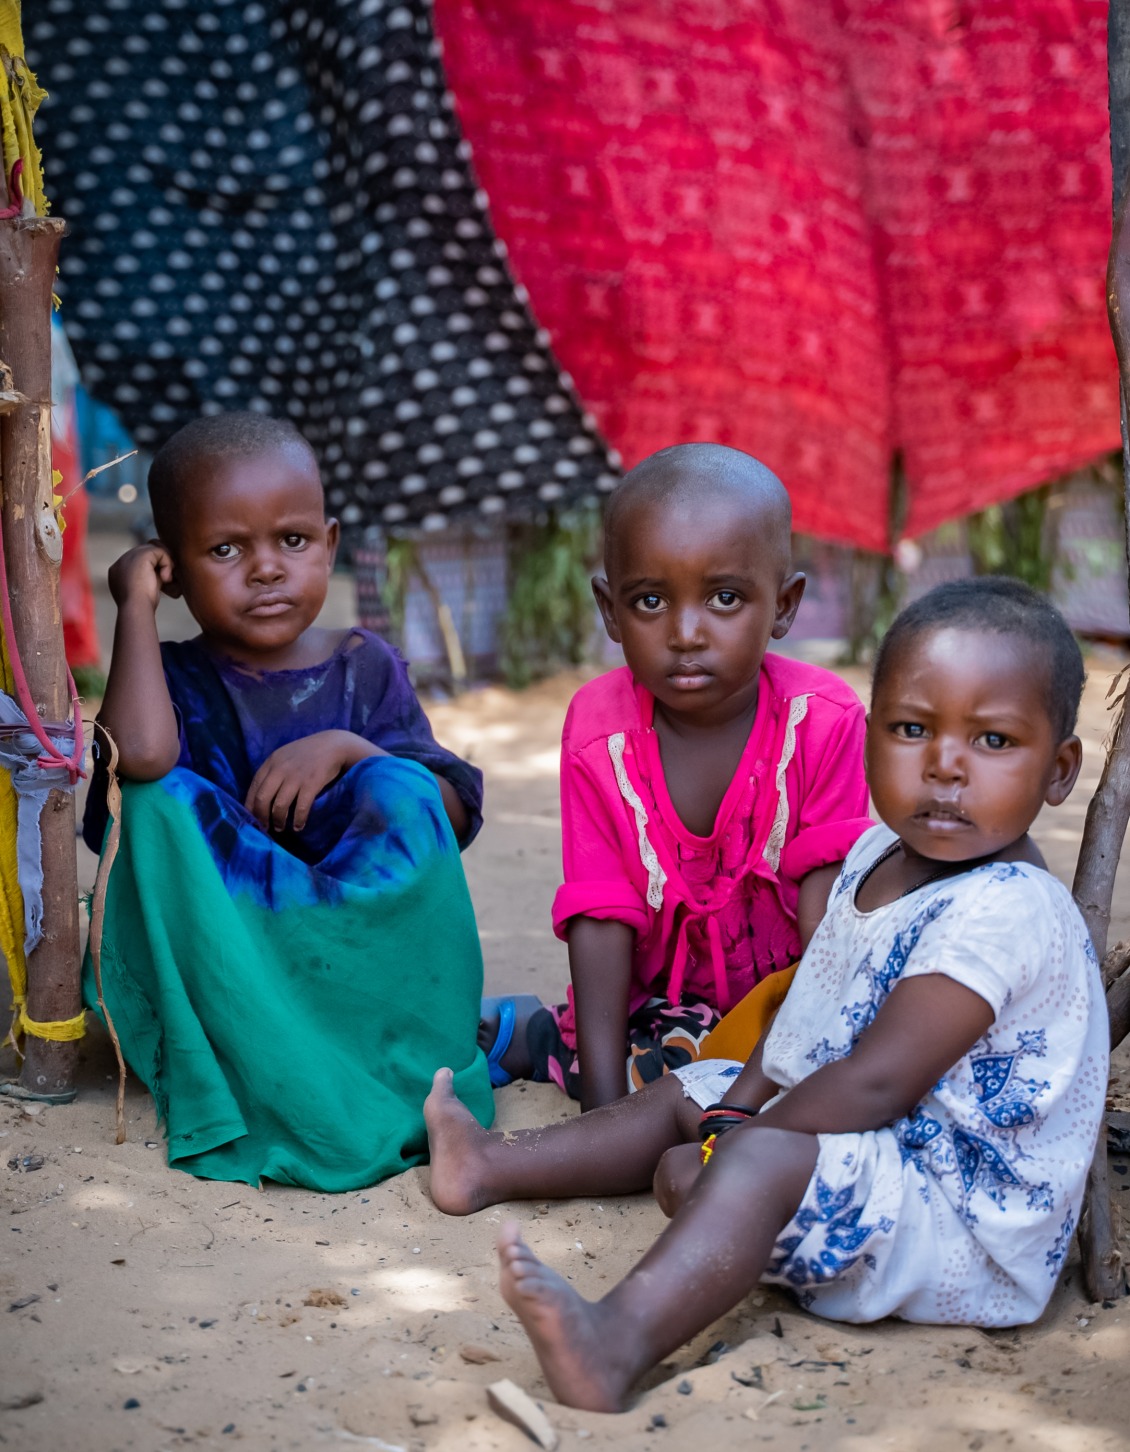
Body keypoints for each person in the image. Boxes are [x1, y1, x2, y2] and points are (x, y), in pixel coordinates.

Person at [424, 577, 1108, 1412]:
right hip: (882, 1152)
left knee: (753, 1154)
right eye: (910, 729)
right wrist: (727, 1110)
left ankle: (614, 1342)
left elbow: (877, 1080)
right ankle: (491, 1165)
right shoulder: (869, 859)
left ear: (1059, 770)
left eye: (994, 740)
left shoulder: (1008, 908)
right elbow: (807, 1022)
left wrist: (731, 1149)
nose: (944, 766)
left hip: (963, 1228)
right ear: (869, 739)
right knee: (702, 1082)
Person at [83, 412, 494, 1190]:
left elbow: (449, 811)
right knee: (155, 796)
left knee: (397, 779)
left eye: (293, 542)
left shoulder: (363, 665)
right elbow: (135, 764)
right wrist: (132, 608)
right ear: (171, 568)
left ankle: (388, 1049)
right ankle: (272, 1059)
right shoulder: (170, 678)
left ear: (331, 544)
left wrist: (351, 750)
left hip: (355, 950)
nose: (266, 569)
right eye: (226, 549)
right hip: (241, 961)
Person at [481, 444, 871, 1108]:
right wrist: (601, 1109)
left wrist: (815, 1050)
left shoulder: (823, 722)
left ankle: (542, 1038)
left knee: (800, 1083)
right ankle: (542, 1038)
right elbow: (600, 915)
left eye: (724, 597)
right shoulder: (600, 735)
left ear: (784, 604)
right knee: (658, 1085)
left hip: (788, 1000)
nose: (686, 632)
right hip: (661, 1011)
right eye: (651, 600)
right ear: (610, 611)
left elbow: (829, 919)